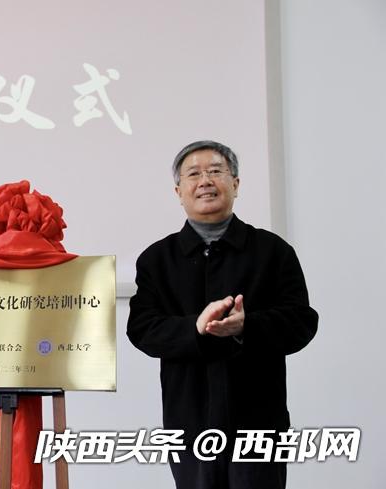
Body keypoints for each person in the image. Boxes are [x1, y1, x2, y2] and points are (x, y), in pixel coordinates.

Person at [126, 140, 318, 489]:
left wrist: (247, 326)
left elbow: (301, 322)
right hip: (189, 422)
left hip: (259, 420)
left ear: (236, 184)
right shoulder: (157, 259)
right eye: (194, 174)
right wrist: (195, 329)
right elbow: (142, 328)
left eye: (216, 171)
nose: (205, 181)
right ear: (178, 191)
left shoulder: (273, 251)